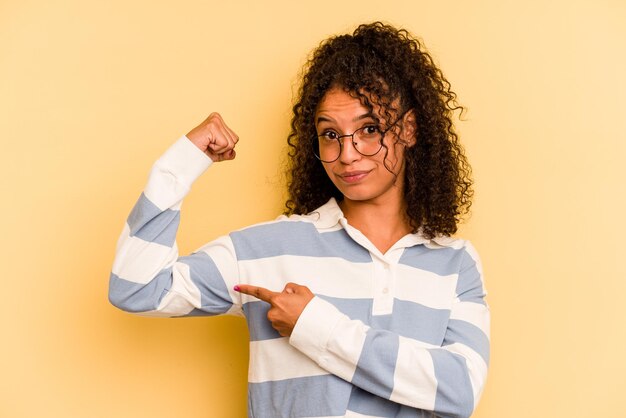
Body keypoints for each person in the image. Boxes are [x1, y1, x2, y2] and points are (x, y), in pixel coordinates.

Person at [109, 21, 489, 418]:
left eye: (369, 129)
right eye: (330, 134)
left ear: (408, 129)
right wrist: (181, 164)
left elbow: (459, 390)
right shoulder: (269, 251)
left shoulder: (454, 264)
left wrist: (315, 326)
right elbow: (138, 288)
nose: (348, 154)